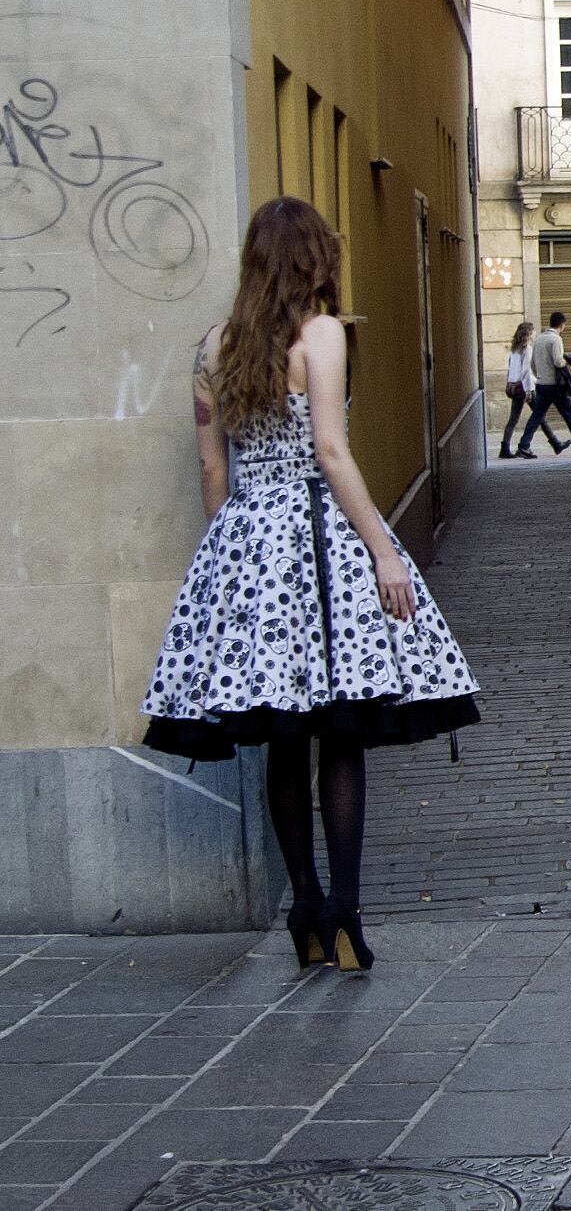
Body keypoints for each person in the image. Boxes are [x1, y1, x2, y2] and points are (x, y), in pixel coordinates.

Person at [141, 197, 481, 971]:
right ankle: (346, 917)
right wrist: (385, 554)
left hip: (249, 541)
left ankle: (304, 906)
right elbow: (330, 449)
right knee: (342, 726)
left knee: (283, 735)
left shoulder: (211, 347)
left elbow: (210, 467)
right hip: (322, 537)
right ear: (311, 258)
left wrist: (232, 566)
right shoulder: (321, 333)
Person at [516, 309, 571, 458]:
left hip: (541, 385)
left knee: (536, 416)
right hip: (555, 386)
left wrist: (540, 377)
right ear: (562, 325)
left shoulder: (539, 339)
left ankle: (524, 446)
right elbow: (558, 361)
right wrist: (568, 360)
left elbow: (533, 365)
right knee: (569, 415)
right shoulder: (556, 339)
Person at [498, 321, 563, 459]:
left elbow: (511, 369)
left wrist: (510, 383)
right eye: (533, 331)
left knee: (514, 420)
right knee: (539, 416)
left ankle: (504, 448)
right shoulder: (527, 349)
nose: (535, 334)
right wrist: (529, 391)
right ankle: (554, 444)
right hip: (525, 388)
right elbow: (526, 372)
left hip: (514, 386)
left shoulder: (514, 349)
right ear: (528, 334)